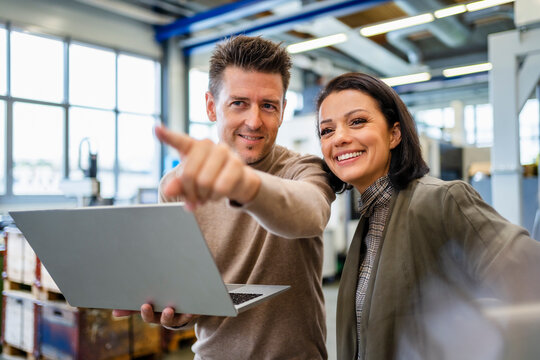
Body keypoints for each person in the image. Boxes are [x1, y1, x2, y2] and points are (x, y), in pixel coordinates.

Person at [115, 35, 335, 359]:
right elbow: (184, 287)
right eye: (239, 103)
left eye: (269, 105)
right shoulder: (177, 185)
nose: (254, 120)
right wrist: (176, 312)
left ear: (283, 110)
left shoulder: (304, 170)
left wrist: (242, 185)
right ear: (210, 106)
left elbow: (311, 214)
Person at [316, 72, 540, 359]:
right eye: (327, 130)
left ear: (394, 134)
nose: (341, 138)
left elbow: (531, 275)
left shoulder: (442, 200)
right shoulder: (370, 221)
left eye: (357, 121)